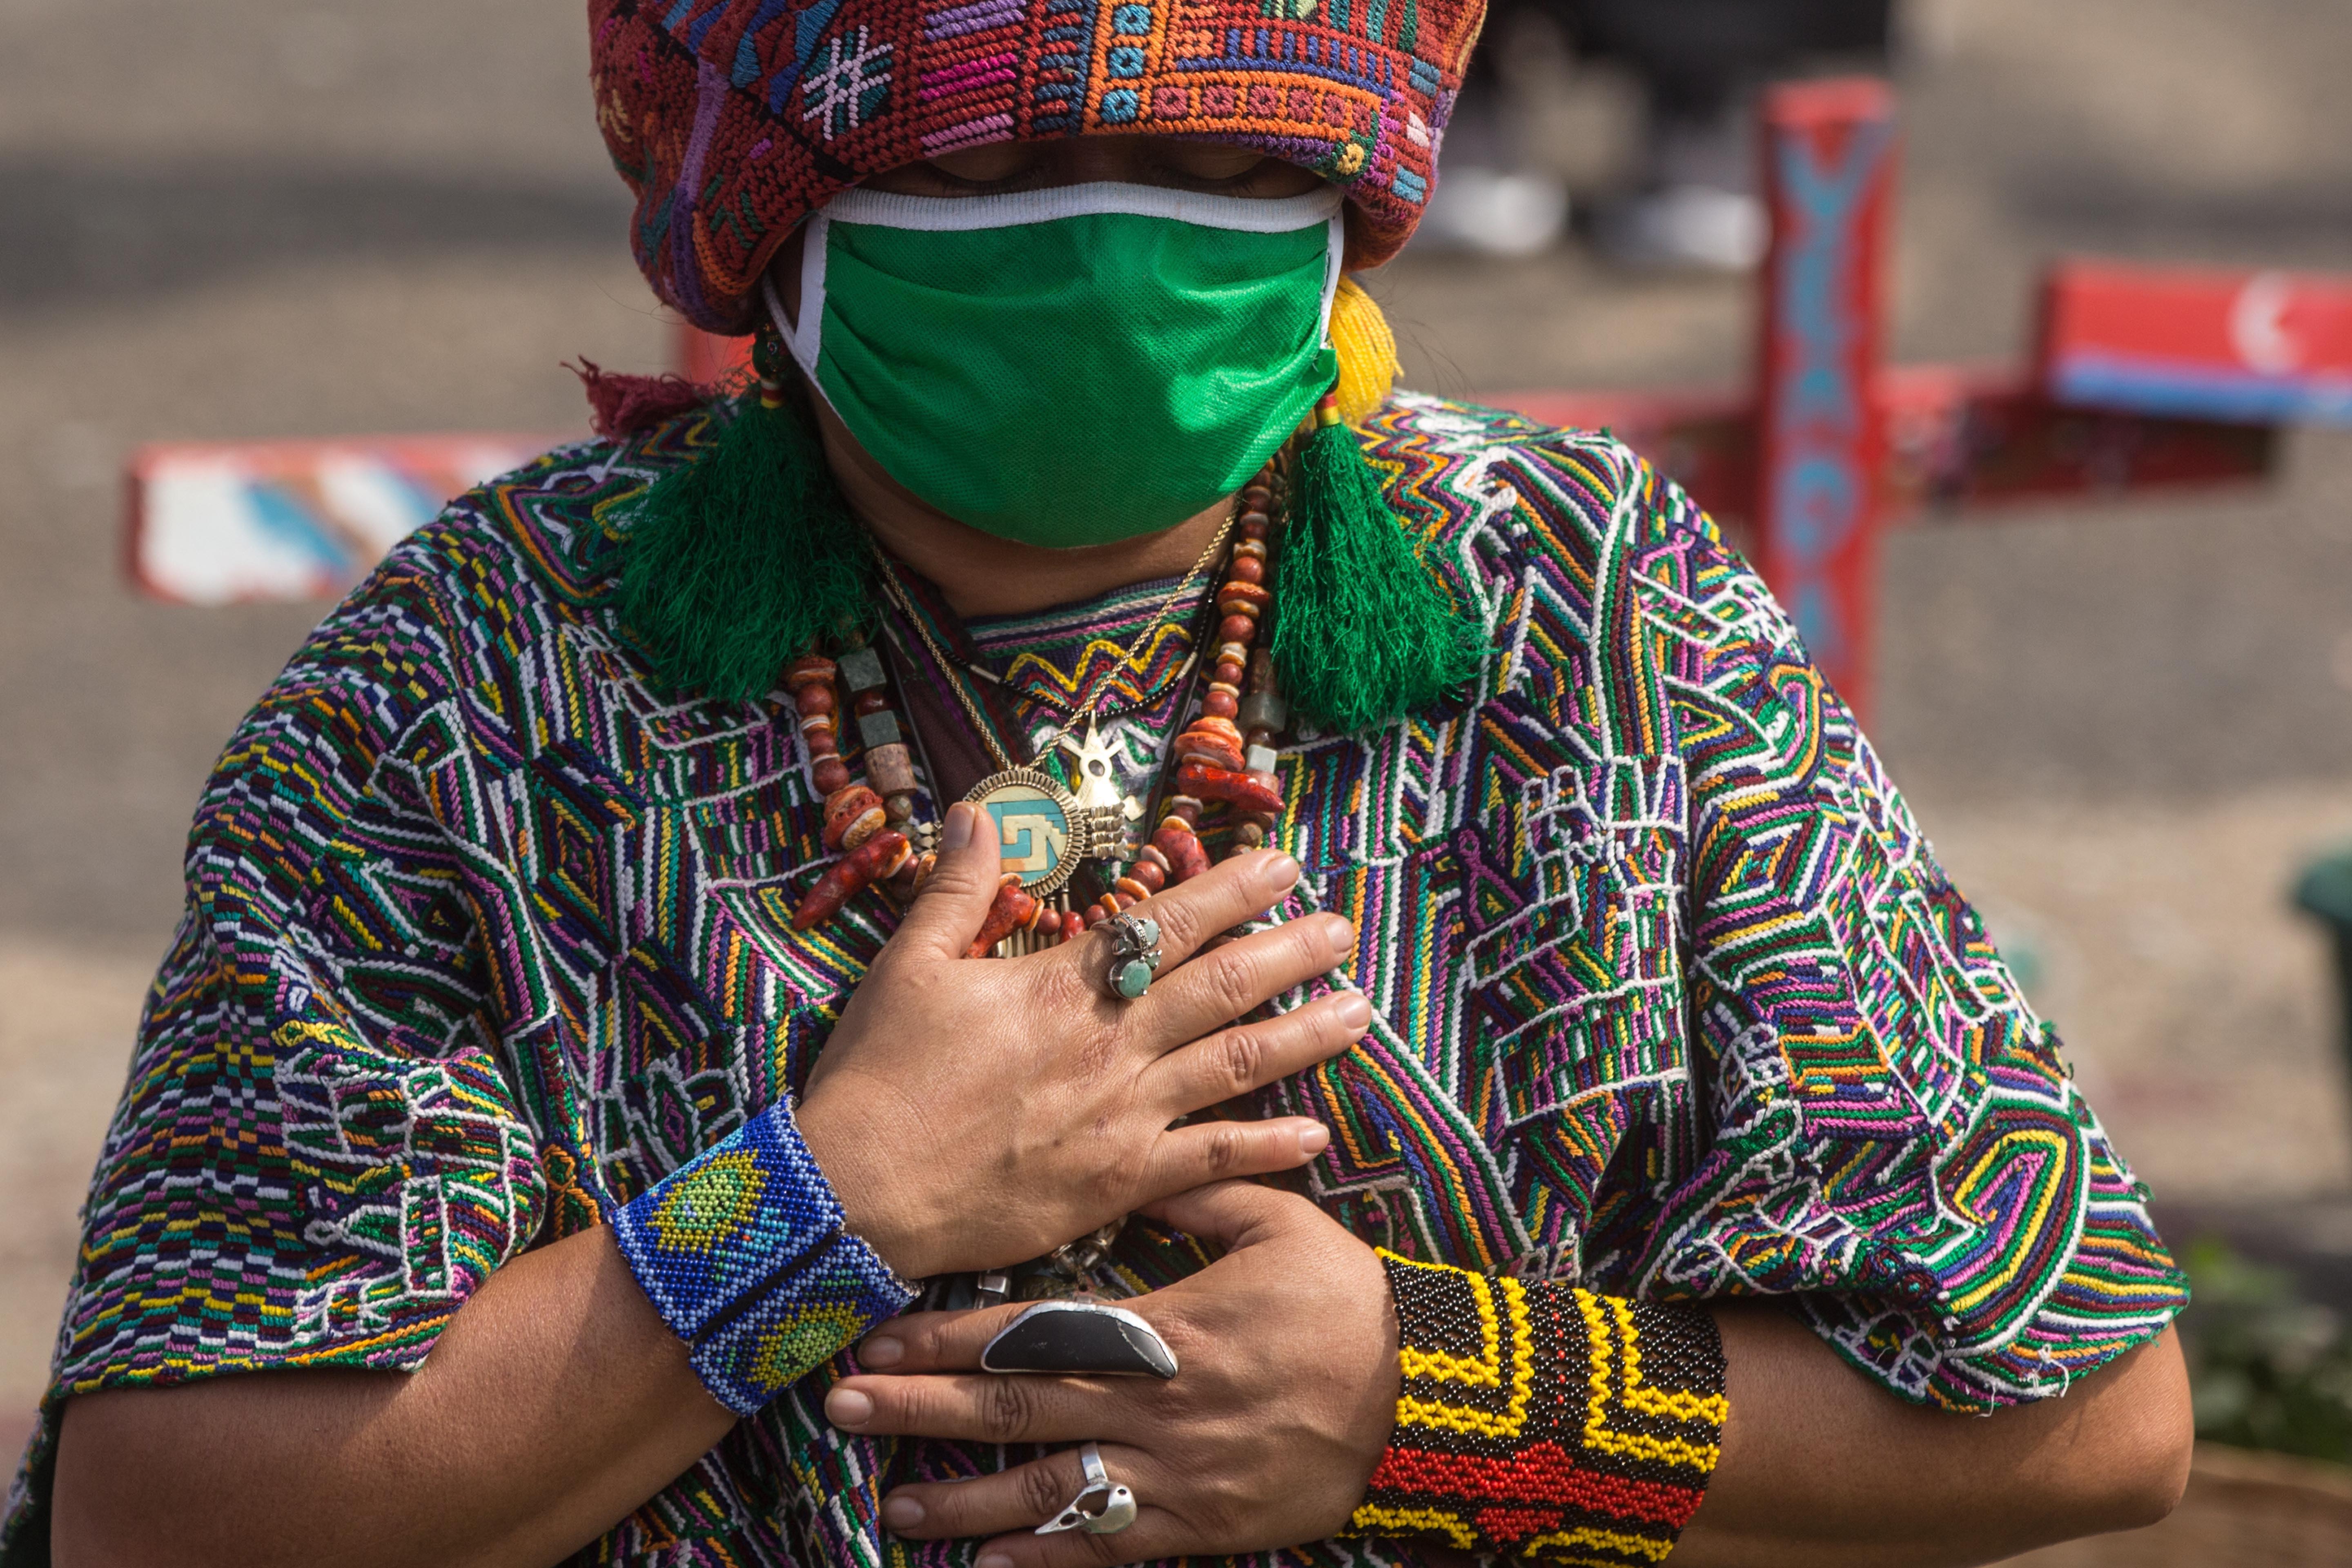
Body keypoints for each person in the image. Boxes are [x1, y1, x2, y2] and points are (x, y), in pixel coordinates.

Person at [11, 0, 2192, 1564]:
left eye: (1232, 171)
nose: (1120, 253)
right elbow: (168, 1514)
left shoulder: (1588, 609)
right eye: (995, 171)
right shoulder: (470, 693)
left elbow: (2077, 1412)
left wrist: (1428, 1399)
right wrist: (824, 1205)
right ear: (769, 187)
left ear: (1357, 189)